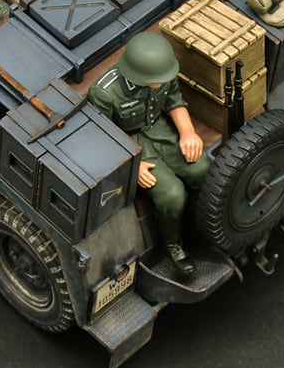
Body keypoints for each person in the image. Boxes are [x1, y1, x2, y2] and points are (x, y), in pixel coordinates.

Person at [87, 32, 210, 276]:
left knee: (202, 169)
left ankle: (200, 224)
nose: (163, 80)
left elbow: (174, 100)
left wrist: (187, 133)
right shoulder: (105, 93)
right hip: (130, 145)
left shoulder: (161, 73)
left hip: (160, 130)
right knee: (172, 194)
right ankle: (173, 245)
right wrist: (132, 166)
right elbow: (102, 137)